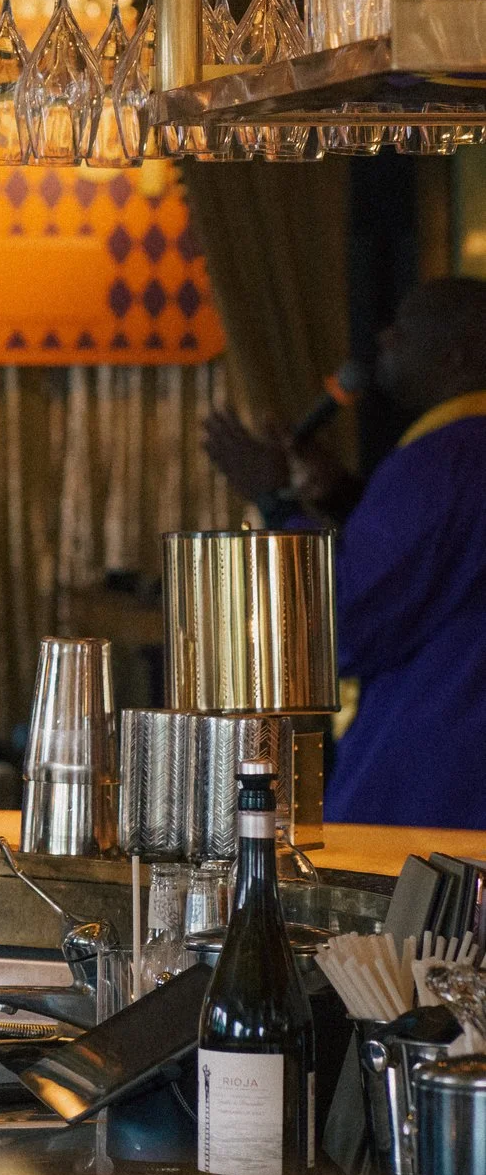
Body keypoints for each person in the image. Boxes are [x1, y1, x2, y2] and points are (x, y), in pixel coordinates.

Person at [203, 276, 486, 830]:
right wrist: (339, 495)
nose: (384, 337)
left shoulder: (443, 458)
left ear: (458, 356)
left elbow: (347, 618)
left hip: (429, 780)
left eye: (405, 327)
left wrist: (274, 499)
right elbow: (437, 569)